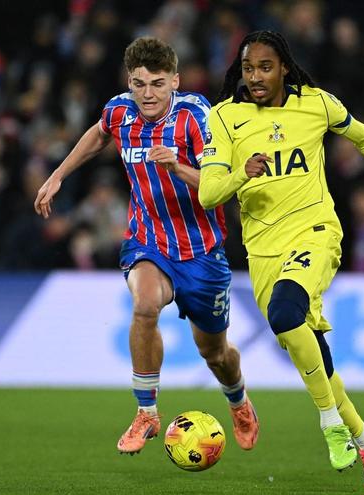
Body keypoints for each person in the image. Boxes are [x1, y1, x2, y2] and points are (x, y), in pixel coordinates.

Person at [199, 30, 364, 491]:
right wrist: (240, 173)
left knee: (285, 313)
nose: (255, 77)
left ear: (284, 68)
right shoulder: (224, 117)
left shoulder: (316, 104)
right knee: (308, 347)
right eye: (248, 68)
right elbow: (209, 193)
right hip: (262, 251)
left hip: (315, 232)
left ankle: (330, 423)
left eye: (265, 67)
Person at [34, 37, 258, 455]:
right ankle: (147, 412)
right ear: (129, 82)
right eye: (139, 84)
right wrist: (58, 175)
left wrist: (177, 166)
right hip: (147, 238)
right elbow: (99, 134)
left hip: (202, 250)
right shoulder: (120, 110)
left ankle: (238, 399)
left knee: (215, 353)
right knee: (144, 305)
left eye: (157, 83)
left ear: (175, 81)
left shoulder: (198, 118)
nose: (148, 94)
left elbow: (223, 185)